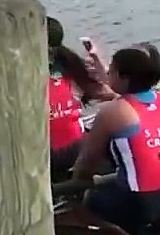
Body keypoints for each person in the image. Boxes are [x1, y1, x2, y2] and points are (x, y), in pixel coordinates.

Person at [71, 45, 160, 235]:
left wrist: (76, 186)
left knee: (90, 198)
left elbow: (86, 163)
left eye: (112, 71)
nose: (108, 74)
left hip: (141, 203)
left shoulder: (112, 112)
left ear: (124, 78)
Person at [47, 17, 115, 181]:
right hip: (78, 147)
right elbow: (112, 94)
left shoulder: (20, 73)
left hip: (48, 154)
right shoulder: (71, 65)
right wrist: (99, 65)